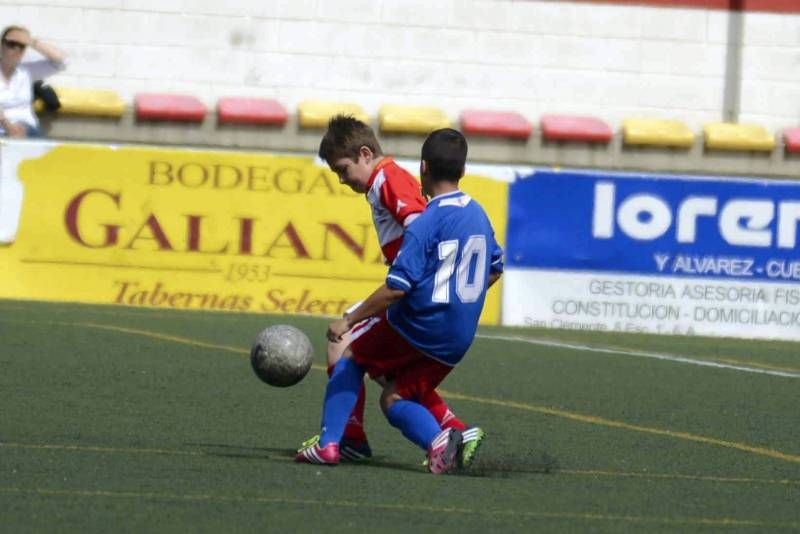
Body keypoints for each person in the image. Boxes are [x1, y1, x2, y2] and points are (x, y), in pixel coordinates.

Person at [297, 128, 504, 473]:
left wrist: (348, 321)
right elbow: (495, 268)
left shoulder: (424, 219)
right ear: (463, 171)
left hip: (421, 319)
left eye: (343, 170)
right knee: (394, 393)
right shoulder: (478, 213)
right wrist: (454, 294)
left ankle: (333, 442)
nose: (342, 179)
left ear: (422, 167)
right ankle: (452, 436)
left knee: (349, 350)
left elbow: (398, 285)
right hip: (459, 335)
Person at [0, 25, 66, 138]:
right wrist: (8, 126)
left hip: (27, 128)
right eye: (11, 44)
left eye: (22, 46)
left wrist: (32, 42)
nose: (17, 49)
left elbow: (62, 62)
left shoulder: (26, 71)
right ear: (1, 46)